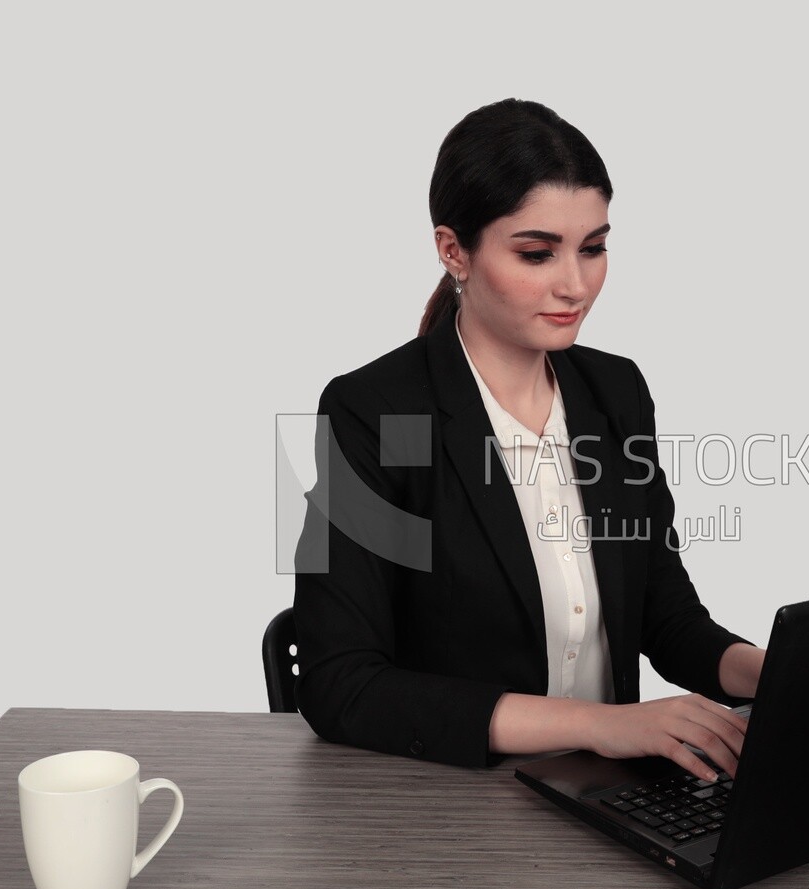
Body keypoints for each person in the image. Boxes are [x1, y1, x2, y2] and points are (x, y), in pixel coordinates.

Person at [291, 98, 765, 782]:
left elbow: (665, 616)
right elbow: (341, 683)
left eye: (594, 247)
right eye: (538, 253)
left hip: (611, 799)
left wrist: (773, 672)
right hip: (459, 805)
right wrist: (602, 725)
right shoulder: (375, 412)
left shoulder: (616, 392)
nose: (575, 285)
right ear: (454, 249)